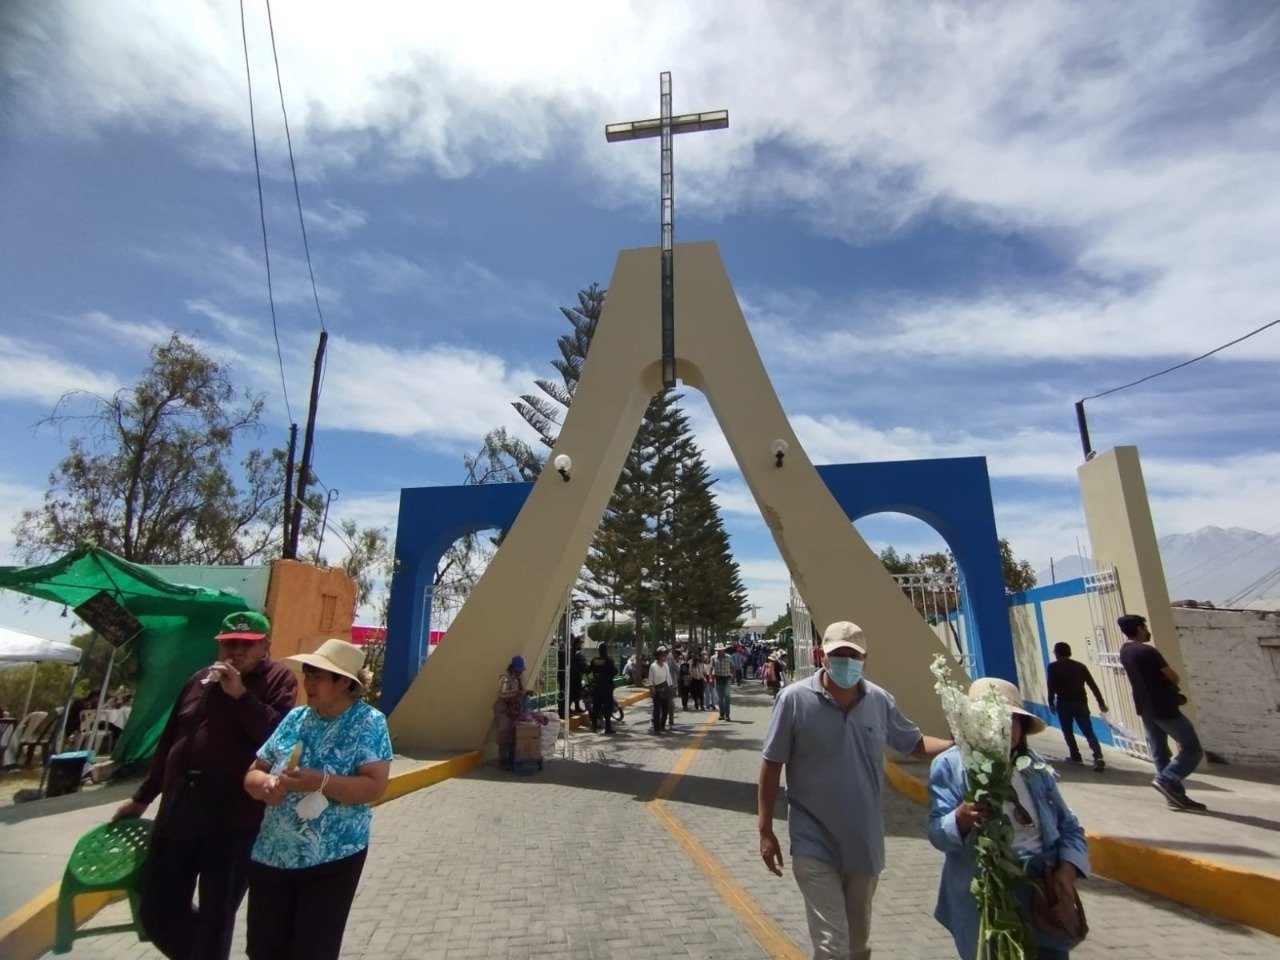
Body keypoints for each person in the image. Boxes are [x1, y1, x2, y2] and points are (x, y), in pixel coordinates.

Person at [758, 621, 952, 960]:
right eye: (838, 654)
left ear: (865, 659)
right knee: (833, 947)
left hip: (864, 843)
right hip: (812, 840)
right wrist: (765, 830)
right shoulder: (793, 700)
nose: (845, 661)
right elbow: (772, 763)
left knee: (857, 946)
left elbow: (915, 745)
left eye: (853, 655)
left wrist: (959, 743)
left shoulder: (879, 700)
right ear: (822, 656)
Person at [110, 611, 297, 960]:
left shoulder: (278, 681)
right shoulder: (198, 681)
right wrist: (143, 798)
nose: (236, 652)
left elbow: (278, 738)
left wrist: (240, 695)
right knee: (156, 911)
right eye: (229, 644)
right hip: (179, 811)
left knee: (216, 915)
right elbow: (170, 743)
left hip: (233, 820)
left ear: (265, 647)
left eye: (246, 645)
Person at [243, 638, 393, 960]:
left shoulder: (369, 723)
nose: (308, 683)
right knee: (263, 949)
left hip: (332, 859)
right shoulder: (295, 719)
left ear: (345, 684)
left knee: (312, 950)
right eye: (307, 674)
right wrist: (266, 785)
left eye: (318, 676)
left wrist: (321, 782)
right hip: (273, 855)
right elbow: (254, 772)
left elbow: (374, 787)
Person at [928, 678, 1091, 960]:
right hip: (987, 902)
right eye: (991, 718)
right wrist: (961, 817)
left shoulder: (1034, 767)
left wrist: (1066, 873)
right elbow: (937, 834)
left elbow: (1070, 828)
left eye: (1011, 720)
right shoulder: (951, 766)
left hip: (1043, 893)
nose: (1003, 727)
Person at [1116, 613, 1207, 810]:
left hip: (1145, 708)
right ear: (1139, 628)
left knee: (1159, 752)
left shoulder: (1125, 651)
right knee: (1192, 748)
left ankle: (1174, 797)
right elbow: (1172, 677)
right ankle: (1167, 779)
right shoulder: (1148, 651)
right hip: (1164, 707)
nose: (1146, 631)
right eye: (1144, 627)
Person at [1046, 642, 1107, 771]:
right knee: (1088, 731)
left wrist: (1051, 702)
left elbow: (1051, 686)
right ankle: (1098, 756)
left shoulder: (1053, 667)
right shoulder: (1080, 666)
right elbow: (1093, 685)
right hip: (1081, 703)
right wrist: (1100, 702)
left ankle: (1075, 755)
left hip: (1064, 704)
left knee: (1068, 731)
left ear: (1057, 653)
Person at [492, 655, 527, 769]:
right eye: (517, 671)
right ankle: (503, 760)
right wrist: (515, 693)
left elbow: (522, 690)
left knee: (513, 735)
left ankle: (513, 760)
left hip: (515, 709)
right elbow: (502, 693)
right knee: (504, 734)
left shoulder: (520, 678)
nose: (519, 673)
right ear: (512, 668)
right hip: (504, 709)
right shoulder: (505, 678)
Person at [588, 642, 617, 734]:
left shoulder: (594, 660)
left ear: (599, 650)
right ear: (606, 650)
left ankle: (593, 727)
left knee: (595, 707)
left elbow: (588, 670)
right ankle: (608, 728)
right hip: (606, 688)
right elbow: (614, 671)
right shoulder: (609, 660)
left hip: (596, 687)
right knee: (607, 708)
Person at [648, 646, 673, 734]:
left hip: (665, 688)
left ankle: (662, 725)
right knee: (657, 710)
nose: (664, 657)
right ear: (658, 656)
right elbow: (650, 680)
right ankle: (657, 728)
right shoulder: (653, 666)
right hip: (657, 689)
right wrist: (652, 690)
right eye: (662, 655)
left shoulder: (666, 665)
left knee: (665, 708)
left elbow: (668, 677)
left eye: (665, 655)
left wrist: (670, 687)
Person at [711, 644, 734, 719]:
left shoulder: (729, 657)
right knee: (720, 698)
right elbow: (711, 669)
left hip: (727, 678)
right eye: (718, 650)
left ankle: (727, 714)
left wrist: (733, 677)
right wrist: (711, 678)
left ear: (723, 650)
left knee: (727, 696)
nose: (720, 651)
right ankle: (721, 713)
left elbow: (732, 666)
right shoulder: (713, 658)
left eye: (721, 650)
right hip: (718, 679)